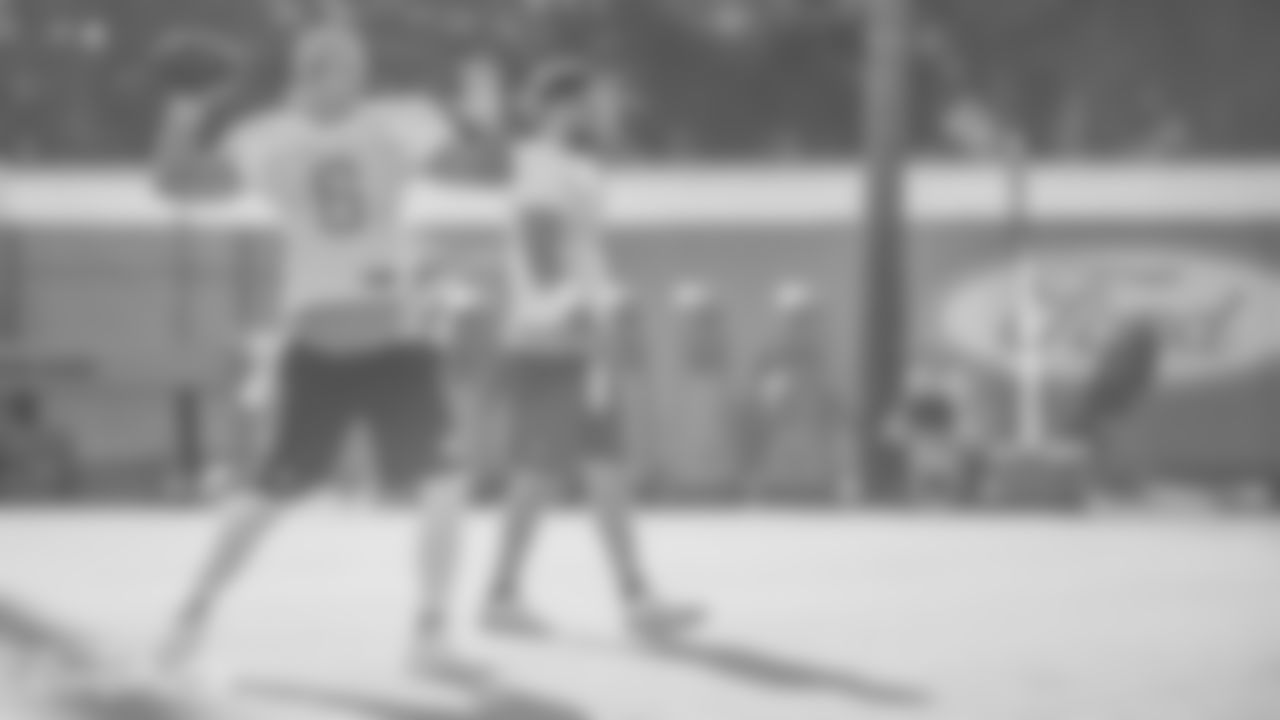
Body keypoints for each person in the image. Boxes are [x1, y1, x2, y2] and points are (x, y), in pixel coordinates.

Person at [151, 8, 504, 672]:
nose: (336, 71)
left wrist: (484, 100)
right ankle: (192, 613)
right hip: (322, 345)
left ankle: (430, 634)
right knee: (268, 495)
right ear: (303, 70)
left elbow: (485, 169)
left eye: (344, 59)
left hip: (398, 339)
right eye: (322, 60)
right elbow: (177, 185)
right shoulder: (286, 133)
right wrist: (181, 111)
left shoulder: (368, 123)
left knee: (444, 483)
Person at [480, 66, 701, 641]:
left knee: (607, 474)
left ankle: (636, 600)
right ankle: (502, 597)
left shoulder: (577, 169)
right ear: (558, 108)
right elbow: (539, 253)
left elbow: (577, 256)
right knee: (537, 478)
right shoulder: (541, 164)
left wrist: (609, 305)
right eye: (589, 104)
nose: (600, 113)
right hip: (548, 343)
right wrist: (581, 313)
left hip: (580, 343)